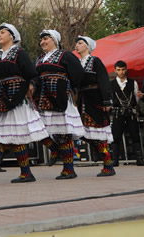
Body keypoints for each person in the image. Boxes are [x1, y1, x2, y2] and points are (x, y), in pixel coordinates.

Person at [0, 23, 49, 183]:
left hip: (17, 97)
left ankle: (26, 172)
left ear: (12, 36)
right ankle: (0, 154)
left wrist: (32, 86)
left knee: (19, 135)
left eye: (3, 32)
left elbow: (32, 74)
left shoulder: (19, 53)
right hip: (1, 96)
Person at [33, 30, 84, 179]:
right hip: (42, 97)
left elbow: (78, 73)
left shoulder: (65, 55)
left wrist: (68, 87)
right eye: (41, 40)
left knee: (63, 133)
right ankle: (54, 148)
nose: (42, 42)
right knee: (37, 129)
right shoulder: (40, 59)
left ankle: (69, 169)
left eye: (46, 39)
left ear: (54, 40)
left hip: (59, 96)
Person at [75, 36, 115, 177]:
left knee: (99, 133)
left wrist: (106, 100)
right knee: (82, 133)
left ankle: (108, 166)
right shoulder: (77, 63)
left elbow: (103, 80)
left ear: (87, 46)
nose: (77, 45)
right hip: (82, 100)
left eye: (80, 43)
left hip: (95, 99)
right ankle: (100, 155)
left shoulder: (95, 61)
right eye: (77, 43)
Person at [110, 60, 144, 166]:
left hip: (131, 112)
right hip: (118, 112)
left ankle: (139, 159)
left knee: (135, 135)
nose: (121, 72)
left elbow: (136, 97)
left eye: (123, 69)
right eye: (118, 70)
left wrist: (134, 105)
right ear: (115, 70)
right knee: (116, 136)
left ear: (126, 69)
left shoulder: (133, 82)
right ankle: (115, 160)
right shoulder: (111, 84)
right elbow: (110, 99)